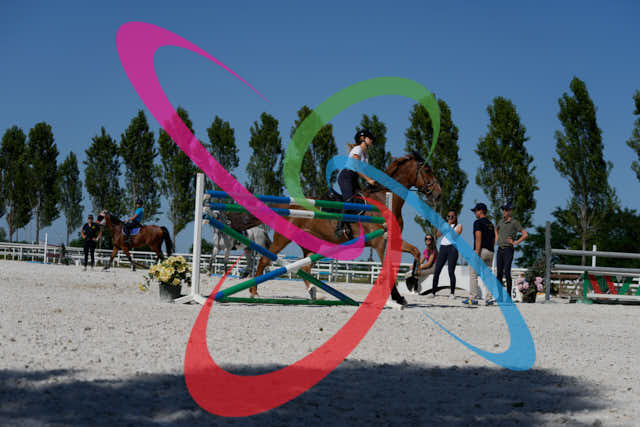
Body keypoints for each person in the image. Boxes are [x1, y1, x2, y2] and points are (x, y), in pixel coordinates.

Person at [335, 129, 377, 238]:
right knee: (349, 200)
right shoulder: (357, 149)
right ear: (363, 139)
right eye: (370, 138)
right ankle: (339, 226)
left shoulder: (366, 155)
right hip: (346, 176)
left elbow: (366, 171)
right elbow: (356, 166)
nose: (372, 140)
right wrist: (368, 180)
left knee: (361, 199)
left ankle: (353, 225)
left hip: (354, 179)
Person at [422, 209, 462, 299]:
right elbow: (438, 234)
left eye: (452, 216)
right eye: (448, 216)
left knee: (451, 271)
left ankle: (452, 293)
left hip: (453, 248)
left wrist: (448, 226)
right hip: (443, 247)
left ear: (455, 217)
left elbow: (454, 236)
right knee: (437, 270)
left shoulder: (459, 226)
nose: (450, 218)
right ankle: (433, 292)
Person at [462, 203, 495, 306]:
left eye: (475, 211)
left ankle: (473, 297)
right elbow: (494, 238)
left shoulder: (478, 222)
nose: (475, 213)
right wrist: (491, 249)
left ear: (480, 211)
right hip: (490, 251)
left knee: (473, 274)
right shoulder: (490, 224)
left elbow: (478, 236)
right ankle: (489, 298)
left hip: (481, 251)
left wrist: (477, 251)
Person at [495, 202, 528, 302]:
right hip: (500, 249)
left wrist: (516, 242)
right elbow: (495, 229)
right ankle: (499, 296)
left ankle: (508, 296)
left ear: (510, 211)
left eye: (505, 210)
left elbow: (525, 234)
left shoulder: (514, 222)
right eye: (503, 210)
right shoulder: (501, 221)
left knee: (507, 271)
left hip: (508, 250)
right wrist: (497, 239)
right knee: (499, 273)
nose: (504, 212)